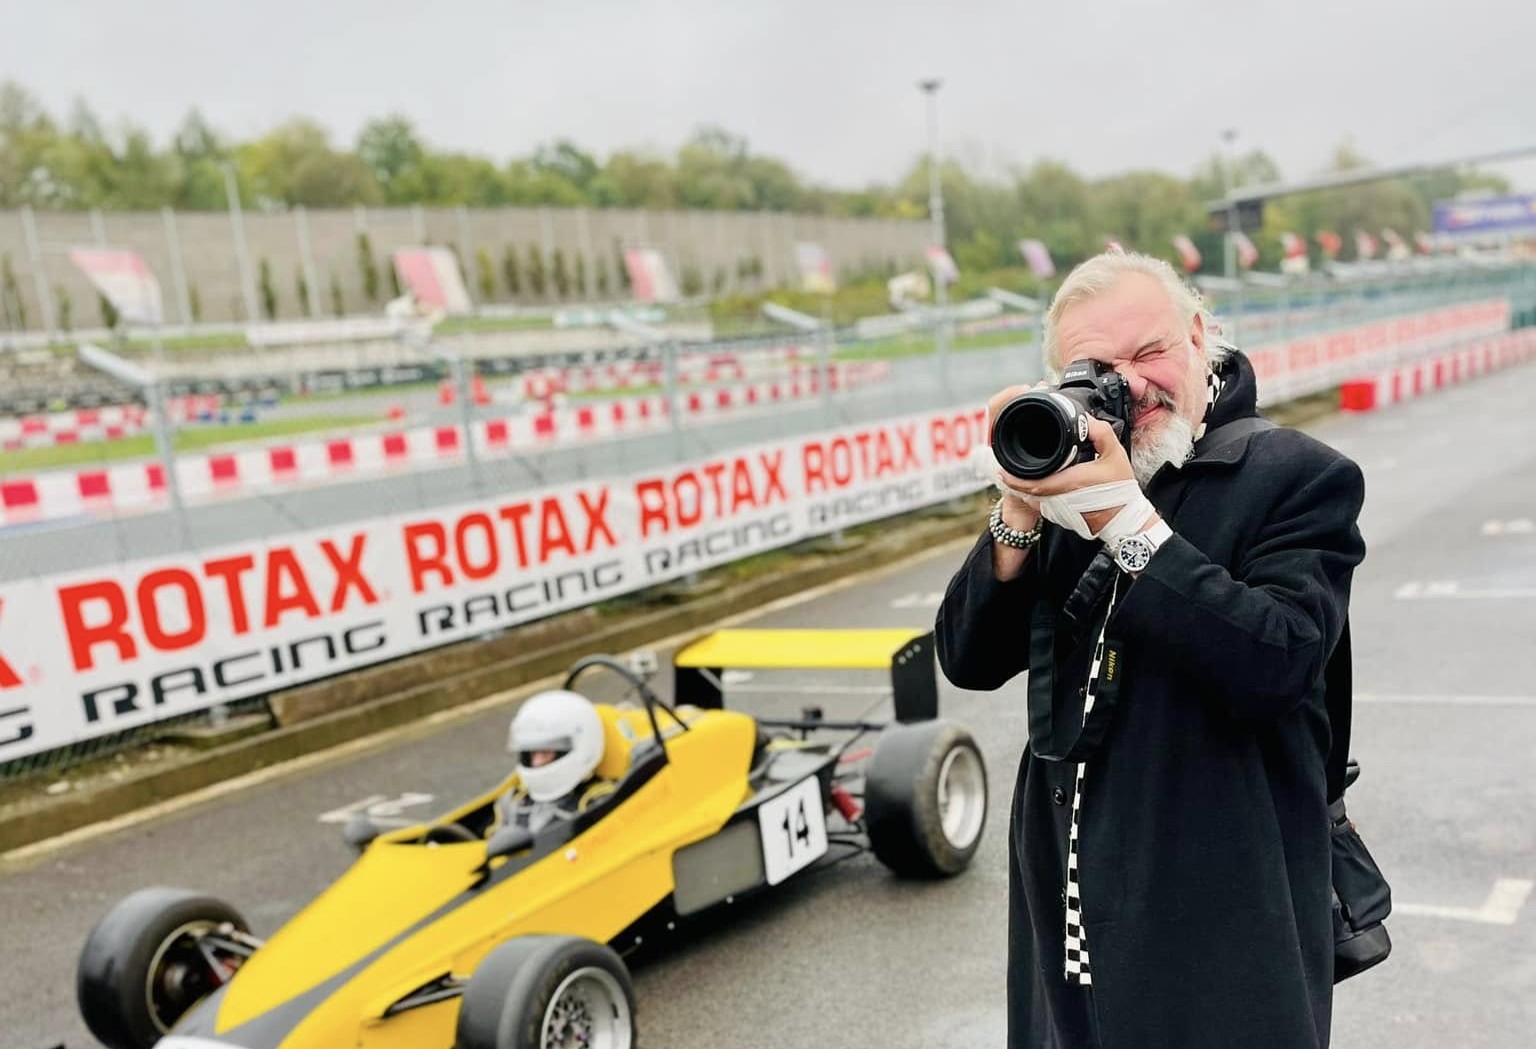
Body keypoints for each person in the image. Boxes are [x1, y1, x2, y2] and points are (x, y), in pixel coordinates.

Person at [935, 251, 1366, 1049]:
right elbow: (968, 658)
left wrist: (1127, 525)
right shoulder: (1078, 477)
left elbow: (1278, 660)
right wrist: (1017, 511)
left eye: (1150, 352)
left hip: (1219, 923)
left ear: (1199, 335)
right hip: (1068, 917)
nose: (1130, 385)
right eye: (1099, 369)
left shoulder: (1295, 475)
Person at [496, 689, 607, 835]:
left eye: (545, 753)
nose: (536, 763)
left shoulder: (599, 803)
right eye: (531, 753)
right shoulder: (513, 801)